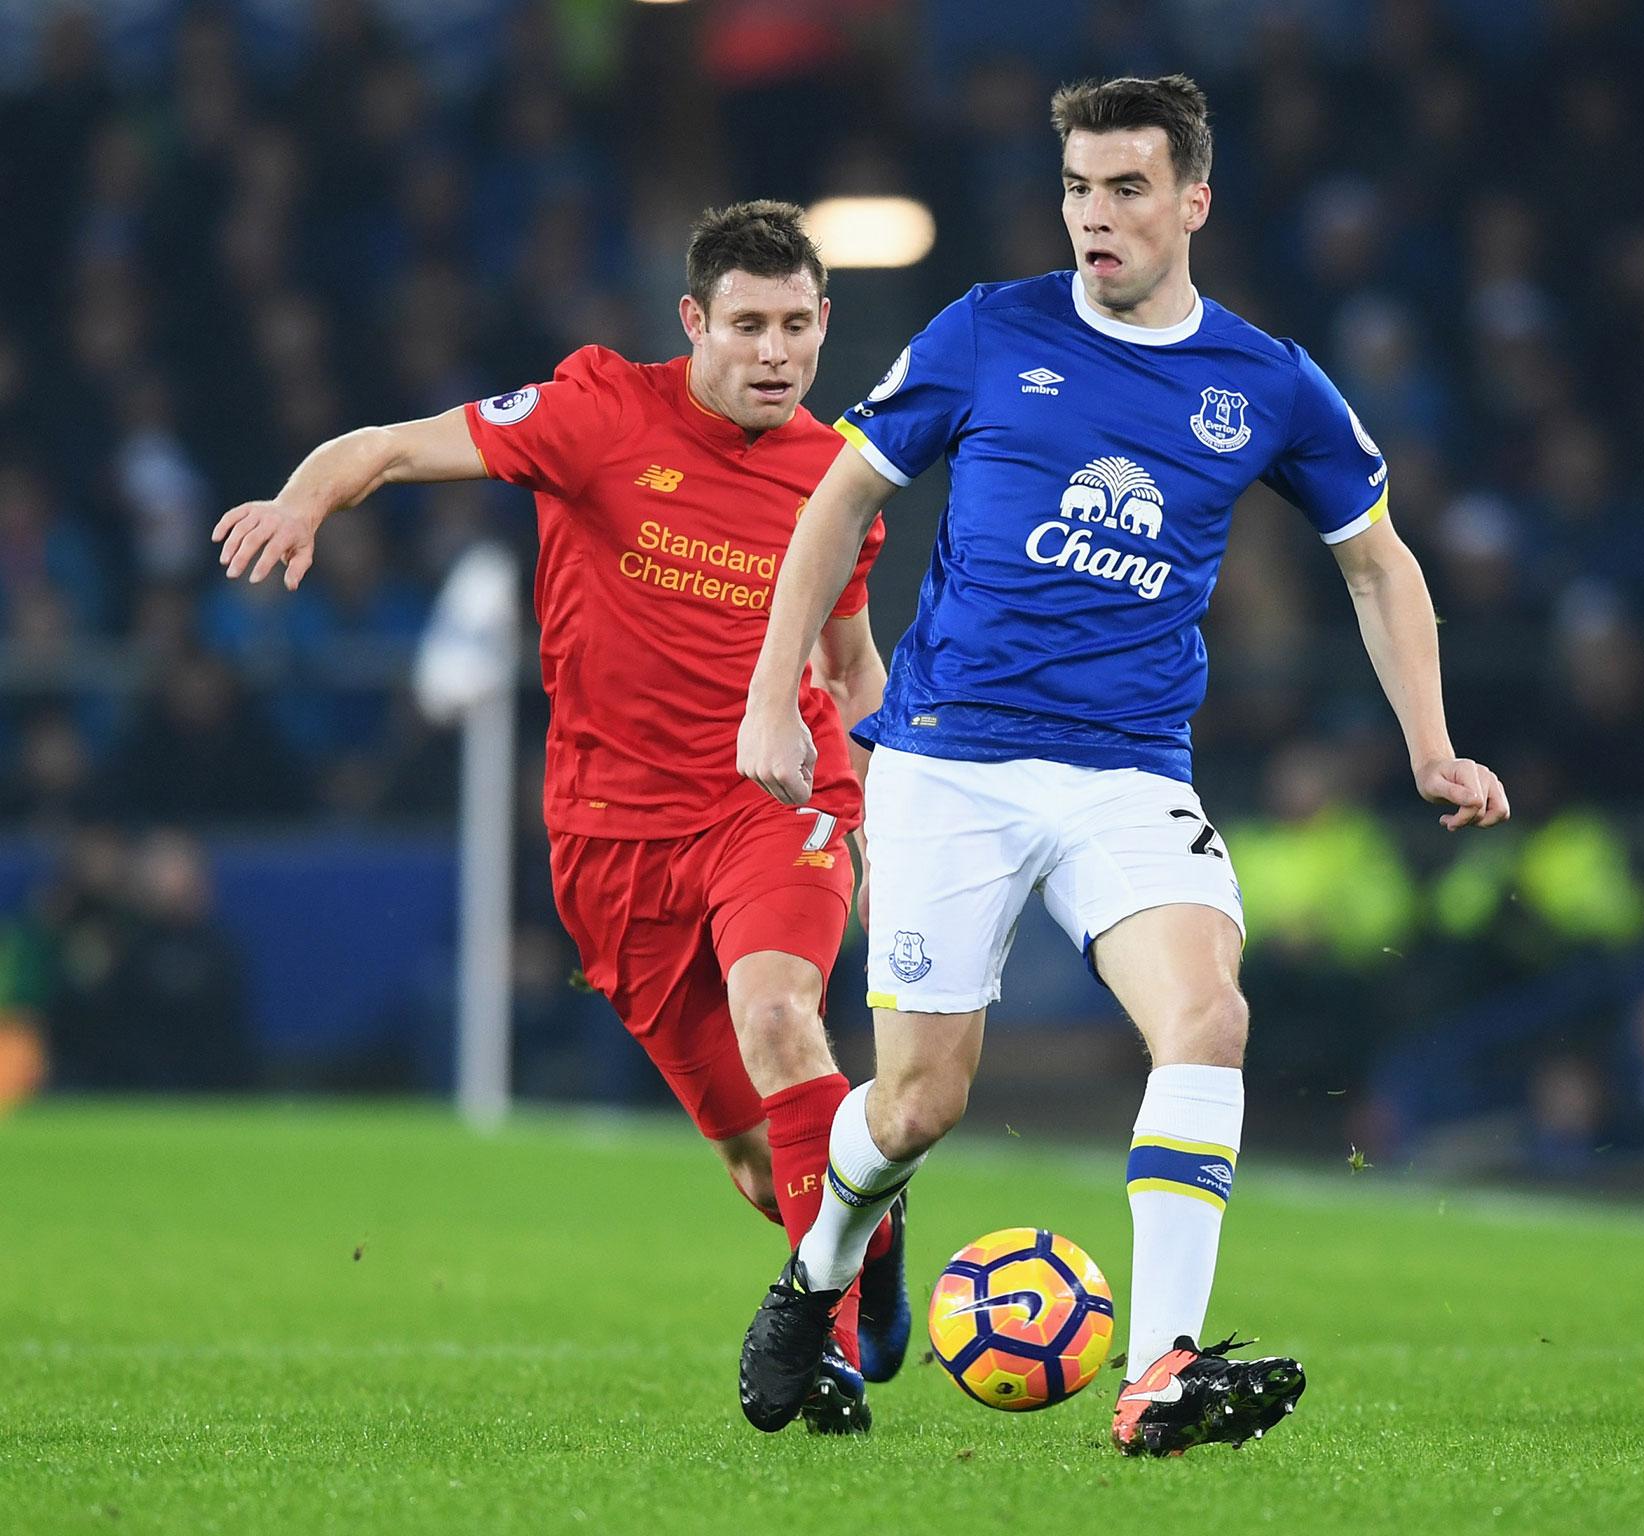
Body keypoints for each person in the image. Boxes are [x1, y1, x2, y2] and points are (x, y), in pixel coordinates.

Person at [734, 75, 1509, 1454]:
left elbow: (1378, 565)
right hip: (949, 763)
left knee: (1209, 1018)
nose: (1097, 215)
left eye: (1129, 188)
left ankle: (1158, 1371)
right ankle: (818, 1275)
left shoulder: (1265, 380)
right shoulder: (989, 330)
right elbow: (841, 493)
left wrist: (1433, 748)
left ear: (1194, 201)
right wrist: (773, 697)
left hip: (1129, 772)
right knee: (920, 1106)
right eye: (1080, 188)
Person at [212, 200, 906, 1428]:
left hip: (772, 807)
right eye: (746, 325)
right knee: (756, 1160)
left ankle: (830, 1338)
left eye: (797, 326)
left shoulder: (837, 474)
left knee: (779, 1012)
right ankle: (869, 1225)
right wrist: (301, 503)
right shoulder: (594, 414)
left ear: (823, 326)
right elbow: (383, 444)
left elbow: (851, 666)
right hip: (609, 840)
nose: (773, 354)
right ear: (693, 322)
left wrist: (884, 788)